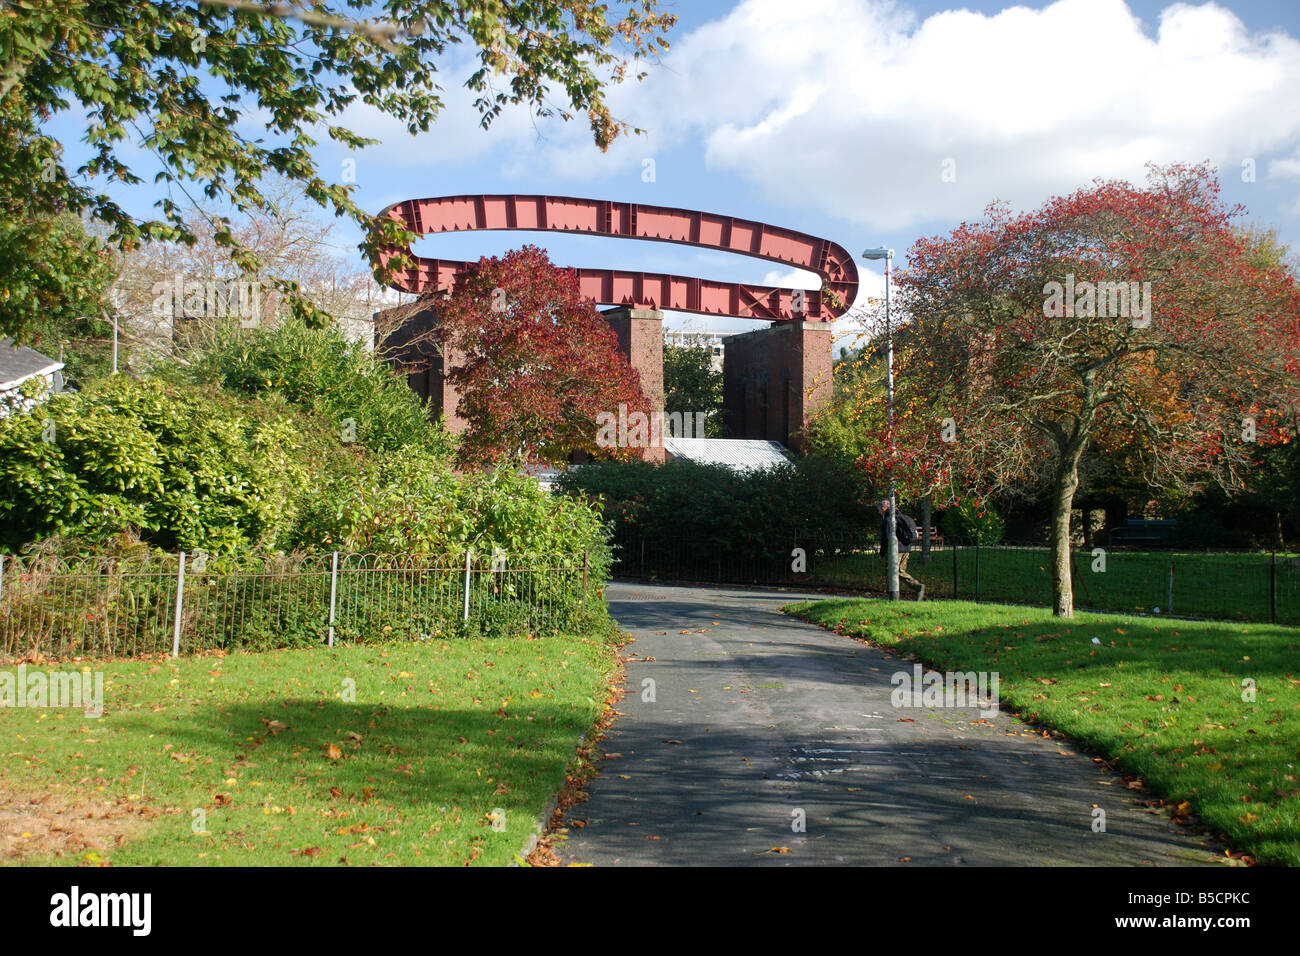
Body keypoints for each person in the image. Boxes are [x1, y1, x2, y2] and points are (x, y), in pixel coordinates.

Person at [876, 499, 925, 601]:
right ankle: (912, 589)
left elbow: (886, 537)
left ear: (883, 508)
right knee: (900, 571)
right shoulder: (903, 516)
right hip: (906, 549)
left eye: (879, 509)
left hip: (896, 550)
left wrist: (882, 553)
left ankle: (915, 587)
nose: (878, 512)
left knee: (893, 571)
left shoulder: (889, 518)